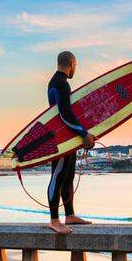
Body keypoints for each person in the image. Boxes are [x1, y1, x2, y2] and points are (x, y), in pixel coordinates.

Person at [46, 51, 97, 234]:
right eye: (76, 65)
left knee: (68, 177)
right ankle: (54, 219)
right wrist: (83, 133)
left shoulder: (58, 82)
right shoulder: (61, 84)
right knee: (58, 176)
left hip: (68, 138)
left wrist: (79, 134)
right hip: (60, 139)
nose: (76, 68)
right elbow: (64, 114)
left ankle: (69, 215)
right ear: (71, 63)